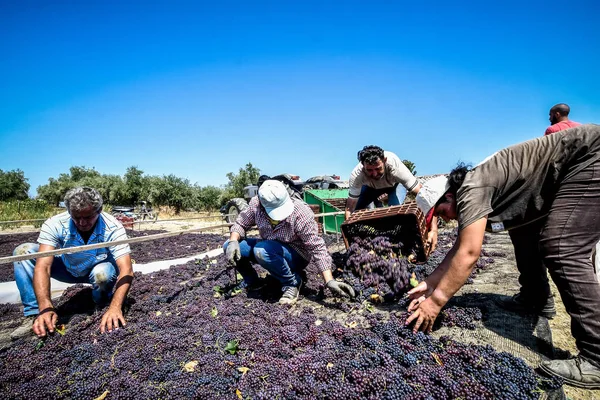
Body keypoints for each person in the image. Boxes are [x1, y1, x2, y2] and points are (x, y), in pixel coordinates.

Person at [406, 124, 600, 388]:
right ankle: (536, 299)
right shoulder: (472, 187)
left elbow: (470, 253)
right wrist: (430, 282)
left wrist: (436, 302)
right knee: (523, 233)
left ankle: (596, 357)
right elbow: (459, 248)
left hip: (590, 156)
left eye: (441, 213)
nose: (445, 219)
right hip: (578, 161)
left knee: (561, 247)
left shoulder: (471, 189)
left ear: (449, 196)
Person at [11, 187, 134, 339]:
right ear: (69, 211)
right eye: (76, 217)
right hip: (67, 269)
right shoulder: (55, 223)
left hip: (98, 269)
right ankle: (34, 314)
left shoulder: (113, 227)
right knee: (23, 252)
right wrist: (45, 307)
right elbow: (43, 266)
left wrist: (116, 307)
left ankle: (101, 304)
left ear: (99, 210)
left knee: (102, 274)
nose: (82, 223)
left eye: (88, 217)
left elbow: (126, 269)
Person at [223, 180, 355, 305]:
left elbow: (317, 247)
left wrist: (329, 280)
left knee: (262, 250)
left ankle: (292, 283)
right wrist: (234, 241)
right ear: (263, 205)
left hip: (296, 254)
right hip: (268, 248)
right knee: (228, 245)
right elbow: (241, 223)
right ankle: (252, 281)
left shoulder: (300, 213)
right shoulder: (256, 205)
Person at [345, 145, 439, 254]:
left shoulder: (396, 167)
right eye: (370, 170)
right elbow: (349, 209)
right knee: (356, 214)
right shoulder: (357, 175)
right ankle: (368, 247)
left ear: (384, 160)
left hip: (395, 186)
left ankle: (397, 247)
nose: (374, 174)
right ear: (362, 165)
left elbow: (426, 196)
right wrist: (350, 236)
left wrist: (434, 229)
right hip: (370, 188)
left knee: (394, 215)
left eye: (378, 168)